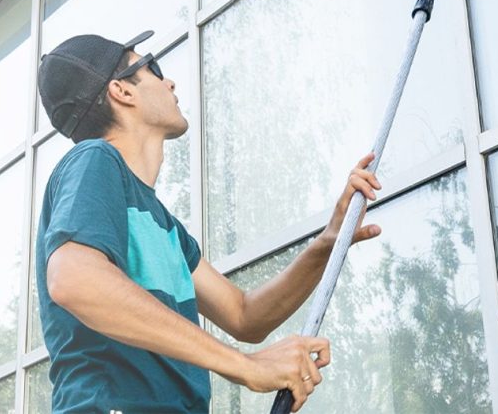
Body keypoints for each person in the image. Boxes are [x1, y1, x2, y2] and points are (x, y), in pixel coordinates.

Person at [35, 30, 382, 413]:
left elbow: (244, 315)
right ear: (123, 92)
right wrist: (246, 366)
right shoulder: (94, 160)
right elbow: (75, 279)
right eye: (152, 67)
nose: (170, 81)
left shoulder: (162, 225)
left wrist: (328, 242)